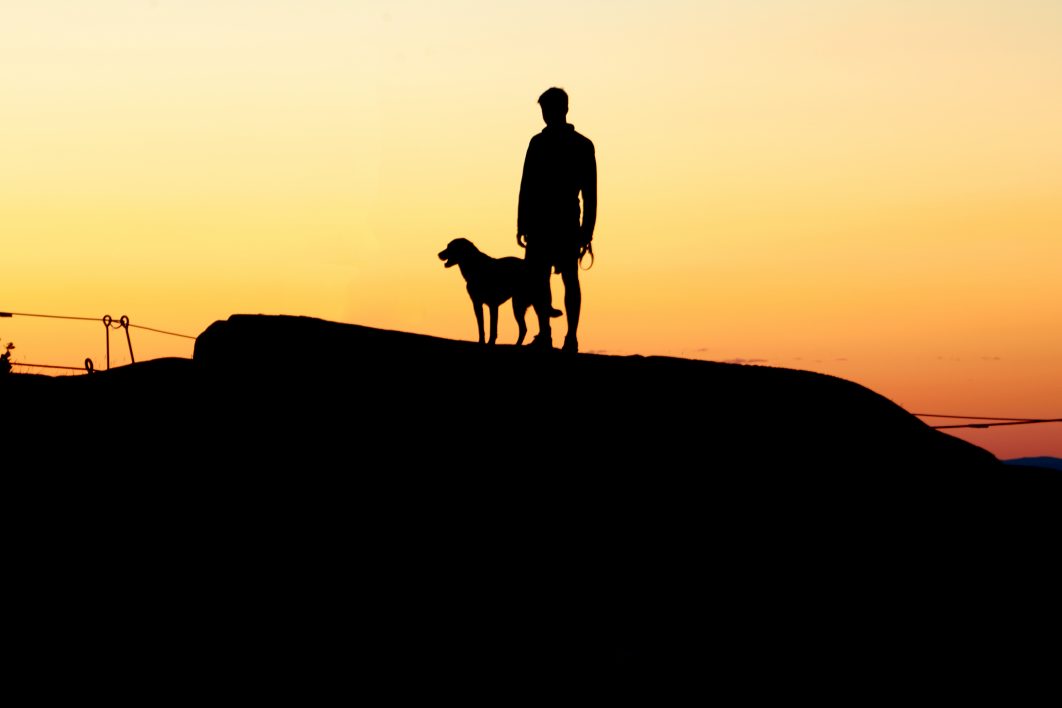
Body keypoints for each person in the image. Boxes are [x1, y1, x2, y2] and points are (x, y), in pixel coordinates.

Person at [517, 87, 597, 353]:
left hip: (562, 224)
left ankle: (569, 336)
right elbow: (526, 185)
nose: (545, 115)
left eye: (547, 109)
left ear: (561, 110)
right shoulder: (539, 143)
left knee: (567, 279)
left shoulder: (581, 146)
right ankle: (547, 333)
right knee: (540, 279)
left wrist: (587, 231)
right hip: (545, 224)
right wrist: (522, 223)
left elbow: (590, 193)